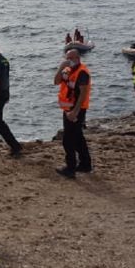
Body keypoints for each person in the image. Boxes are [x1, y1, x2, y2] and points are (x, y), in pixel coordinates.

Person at [54, 49, 91, 177]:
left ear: (77, 58)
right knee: (78, 137)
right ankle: (85, 164)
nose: (68, 60)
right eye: (67, 57)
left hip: (77, 109)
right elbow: (56, 81)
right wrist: (61, 67)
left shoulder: (82, 72)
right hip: (68, 108)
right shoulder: (68, 70)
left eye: (71, 57)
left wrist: (75, 112)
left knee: (68, 140)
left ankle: (70, 168)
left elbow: (83, 93)